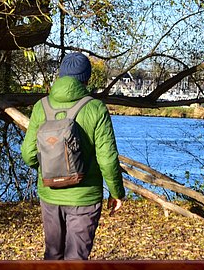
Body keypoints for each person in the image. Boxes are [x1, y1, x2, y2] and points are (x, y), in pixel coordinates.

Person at [21, 52, 126, 260]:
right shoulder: (96, 109)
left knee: (52, 256)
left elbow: (28, 153)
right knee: (76, 259)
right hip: (84, 197)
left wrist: (48, 168)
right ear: (86, 79)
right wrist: (116, 192)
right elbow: (107, 159)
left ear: (61, 75)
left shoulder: (41, 107)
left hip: (50, 194)